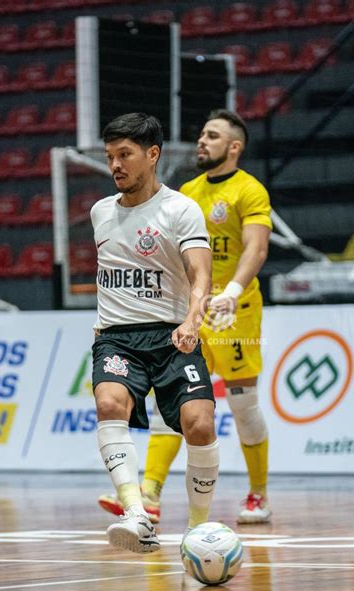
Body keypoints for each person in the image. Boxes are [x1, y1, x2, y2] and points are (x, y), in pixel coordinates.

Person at [99, 109, 272, 525]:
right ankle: (150, 492)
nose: (201, 142)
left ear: (234, 147)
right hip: (183, 313)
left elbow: (256, 249)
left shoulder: (250, 191)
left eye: (212, 136)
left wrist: (229, 293)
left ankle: (258, 494)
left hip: (234, 313)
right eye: (201, 134)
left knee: (243, 406)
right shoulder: (187, 192)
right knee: (172, 409)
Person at [91, 112, 219, 554]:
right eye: (110, 157)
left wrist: (192, 318)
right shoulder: (100, 212)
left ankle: (197, 531)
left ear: (152, 154)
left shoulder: (180, 208)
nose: (115, 166)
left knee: (199, 426)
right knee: (109, 403)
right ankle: (136, 513)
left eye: (124, 155)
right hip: (117, 336)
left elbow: (201, 273)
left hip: (171, 334)